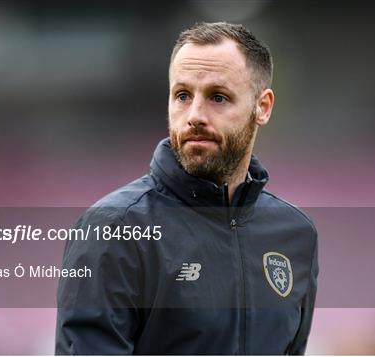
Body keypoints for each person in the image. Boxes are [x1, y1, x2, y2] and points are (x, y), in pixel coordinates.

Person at [55, 21, 318, 355]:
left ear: (262, 107)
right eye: (182, 95)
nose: (194, 115)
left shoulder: (296, 235)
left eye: (218, 97)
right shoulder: (113, 228)